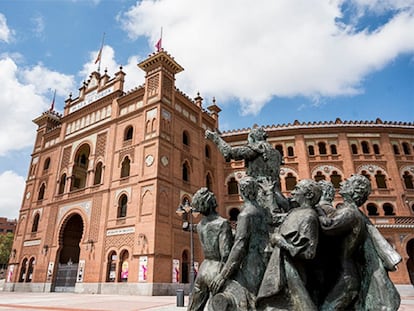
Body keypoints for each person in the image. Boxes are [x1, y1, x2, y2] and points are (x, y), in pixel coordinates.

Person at [317, 174, 401, 311]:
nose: (342, 184)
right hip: (344, 274)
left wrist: (315, 207)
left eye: (347, 183)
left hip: (344, 277)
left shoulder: (349, 212)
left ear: (354, 192)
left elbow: (327, 226)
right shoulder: (352, 212)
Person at [257, 179, 321, 311]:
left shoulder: (309, 217)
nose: (292, 192)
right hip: (280, 269)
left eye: (297, 189)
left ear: (308, 195)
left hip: (293, 274)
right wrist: (269, 193)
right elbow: (273, 218)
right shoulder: (294, 212)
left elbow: (309, 253)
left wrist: (282, 243)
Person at [209, 176, 269, 310]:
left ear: (242, 191)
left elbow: (239, 246)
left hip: (251, 262)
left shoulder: (245, 215)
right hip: (264, 259)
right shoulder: (263, 211)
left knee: (251, 300)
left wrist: (223, 275)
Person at [205, 127, 289, 215]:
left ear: (252, 138)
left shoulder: (256, 149)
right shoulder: (276, 153)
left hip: (260, 192)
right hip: (277, 194)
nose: (248, 142)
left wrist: (216, 138)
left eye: (248, 139)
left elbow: (228, 153)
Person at [187, 187, 234, 311]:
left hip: (203, 269)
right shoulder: (222, 223)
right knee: (217, 306)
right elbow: (226, 253)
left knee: (194, 306)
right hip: (217, 269)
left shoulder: (200, 225)